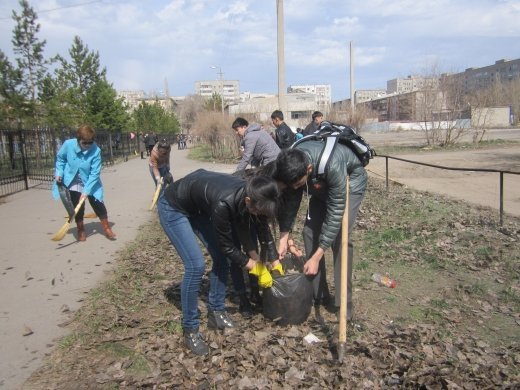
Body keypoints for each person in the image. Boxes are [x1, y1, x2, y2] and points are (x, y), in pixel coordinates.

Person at [157, 169, 280, 355]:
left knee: (221, 260)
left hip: (198, 206)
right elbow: (227, 246)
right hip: (173, 207)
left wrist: (273, 259)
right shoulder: (224, 203)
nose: (259, 214)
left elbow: (262, 227)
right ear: (248, 201)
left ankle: (216, 312)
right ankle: (190, 329)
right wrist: (255, 266)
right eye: (258, 210)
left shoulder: (254, 194)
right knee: (195, 265)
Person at [271, 132, 368, 323]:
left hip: (349, 182)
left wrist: (317, 255)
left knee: (340, 238)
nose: (296, 188)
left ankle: (343, 302)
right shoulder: (291, 163)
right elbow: (291, 201)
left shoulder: (332, 164)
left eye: (299, 184)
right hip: (319, 185)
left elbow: (335, 211)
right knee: (309, 231)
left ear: (307, 169)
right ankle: (318, 294)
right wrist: (283, 238)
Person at [52, 124, 116, 241]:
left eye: (90, 142)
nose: (88, 145)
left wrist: (86, 191)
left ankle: (106, 228)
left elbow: (95, 173)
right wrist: (59, 173)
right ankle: (80, 229)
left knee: (98, 203)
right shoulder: (68, 145)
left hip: (90, 181)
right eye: (84, 143)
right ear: (78, 140)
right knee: (78, 206)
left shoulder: (96, 150)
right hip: (72, 180)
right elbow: (60, 159)